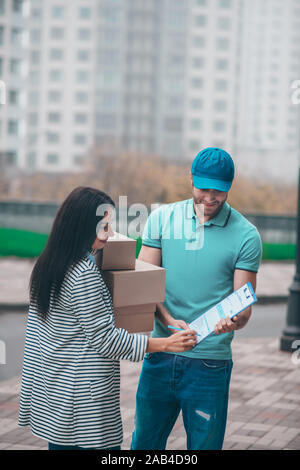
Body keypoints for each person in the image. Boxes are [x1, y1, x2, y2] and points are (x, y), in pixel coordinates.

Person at [18, 186, 197, 450]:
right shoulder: (82, 273)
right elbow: (105, 339)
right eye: (104, 227)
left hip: (56, 390)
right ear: (82, 227)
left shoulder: (49, 264)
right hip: (82, 400)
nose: (110, 234)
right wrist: (165, 344)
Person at [131, 147, 262, 450]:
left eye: (220, 191)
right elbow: (143, 283)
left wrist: (233, 322)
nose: (210, 198)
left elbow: (243, 307)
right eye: (204, 188)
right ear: (190, 177)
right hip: (160, 353)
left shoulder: (246, 236)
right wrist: (166, 320)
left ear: (230, 186)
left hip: (209, 364)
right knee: (144, 446)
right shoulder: (162, 218)